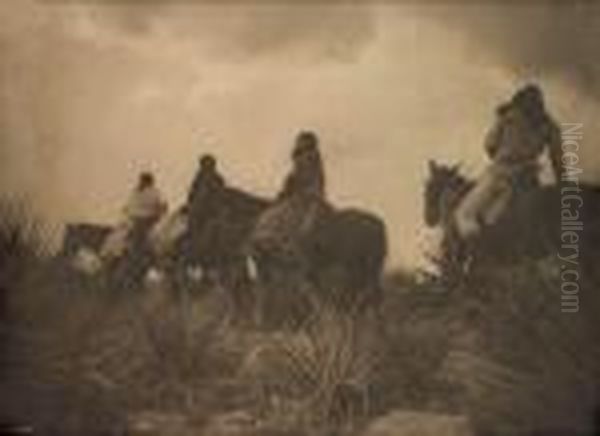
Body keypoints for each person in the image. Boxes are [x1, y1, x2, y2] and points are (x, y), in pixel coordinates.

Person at [454, 84, 562, 240]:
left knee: (464, 215)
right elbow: (558, 160)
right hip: (528, 178)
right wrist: (562, 184)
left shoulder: (507, 117)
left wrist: (502, 155)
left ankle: (473, 255)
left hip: (500, 175)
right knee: (492, 218)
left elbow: (489, 145)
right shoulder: (550, 126)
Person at [252, 130, 331, 262]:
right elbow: (290, 184)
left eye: (303, 144)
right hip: (297, 199)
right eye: (299, 144)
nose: (300, 148)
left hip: (307, 199)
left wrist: (302, 193)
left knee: (296, 222)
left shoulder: (311, 160)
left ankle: (288, 248)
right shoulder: (299, 163)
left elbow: (315, 183)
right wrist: (284, 193)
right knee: (274, 215)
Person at [102, 172, 167, 260]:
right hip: (132, 219)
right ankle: (111, 254)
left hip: (144, 220)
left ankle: (133, 253)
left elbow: (163, 206)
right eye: (141, 180)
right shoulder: (136, 192)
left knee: (136, 237)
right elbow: (129, 206)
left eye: (144, 180)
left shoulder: (154, 193)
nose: (141, 182)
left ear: (148, 182)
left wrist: (155, 217)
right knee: (119, 234)